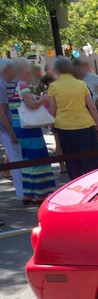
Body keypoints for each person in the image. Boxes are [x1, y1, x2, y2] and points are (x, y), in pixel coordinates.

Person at [47, 57, 98, 180]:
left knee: (72, 162)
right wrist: (95, 125)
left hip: (64, 127)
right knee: (90, 161)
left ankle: (76, 187)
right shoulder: (81, 84)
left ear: (56, 70)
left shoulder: (53, 87)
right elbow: (92, 107)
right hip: (85, 124)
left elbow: (52, 110)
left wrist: (52, 125)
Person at [11, 58, 56, 203]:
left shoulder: (10, 84)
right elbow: (30, 105)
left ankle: (28, 192)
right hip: (29, 128)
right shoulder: (22, 84)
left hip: (18, 125)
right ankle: (41, 192)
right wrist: (42, 100)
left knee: (28, 159)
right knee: (39, 157)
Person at [0, 58, 24, 200]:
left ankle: (24, 191)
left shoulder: (7, 84)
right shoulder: (2, 85)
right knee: (17, 159)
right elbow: (1, 112)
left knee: (18, 158)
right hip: (7, 128)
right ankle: (22, 192)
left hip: (11, 127)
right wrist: (11, 133)